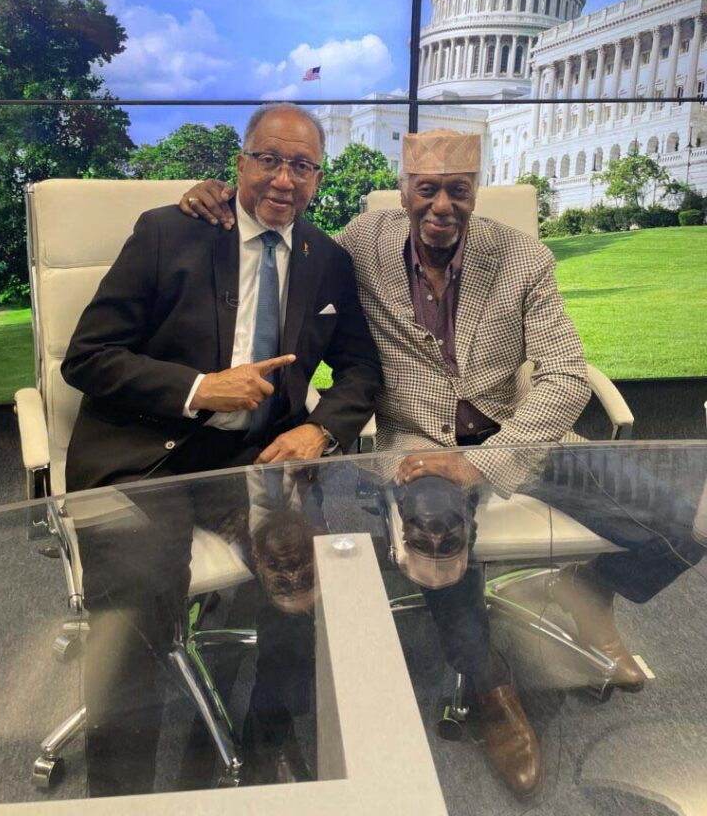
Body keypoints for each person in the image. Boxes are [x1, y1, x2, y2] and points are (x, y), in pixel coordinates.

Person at [180, 128, 704, 800]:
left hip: (521, 433)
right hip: (418, 448)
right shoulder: (361, 244)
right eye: (426, 189)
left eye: (458, 190)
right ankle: (491, 689)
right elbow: (283, 232)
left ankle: (590, 588)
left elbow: (568, 375)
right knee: (438, 531)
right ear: (403, 191)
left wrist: (488, 460)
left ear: (475, 191)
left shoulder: (522, 258)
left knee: (689, 523)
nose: (442, 206)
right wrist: (222, 200)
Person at [61, 102, 381, 795]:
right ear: (240, 164)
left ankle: (271, 736)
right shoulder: (170, 232)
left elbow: (360, 370)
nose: (284, 178)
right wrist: (199, 388)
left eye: (302, 165)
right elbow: (87, 358)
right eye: (269, 159)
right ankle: (119, 797)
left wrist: (320, 429)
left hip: (252, 461)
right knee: (141, 600)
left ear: (318, 178)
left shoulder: (327, 260)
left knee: (306, 570)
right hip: (143, 459)